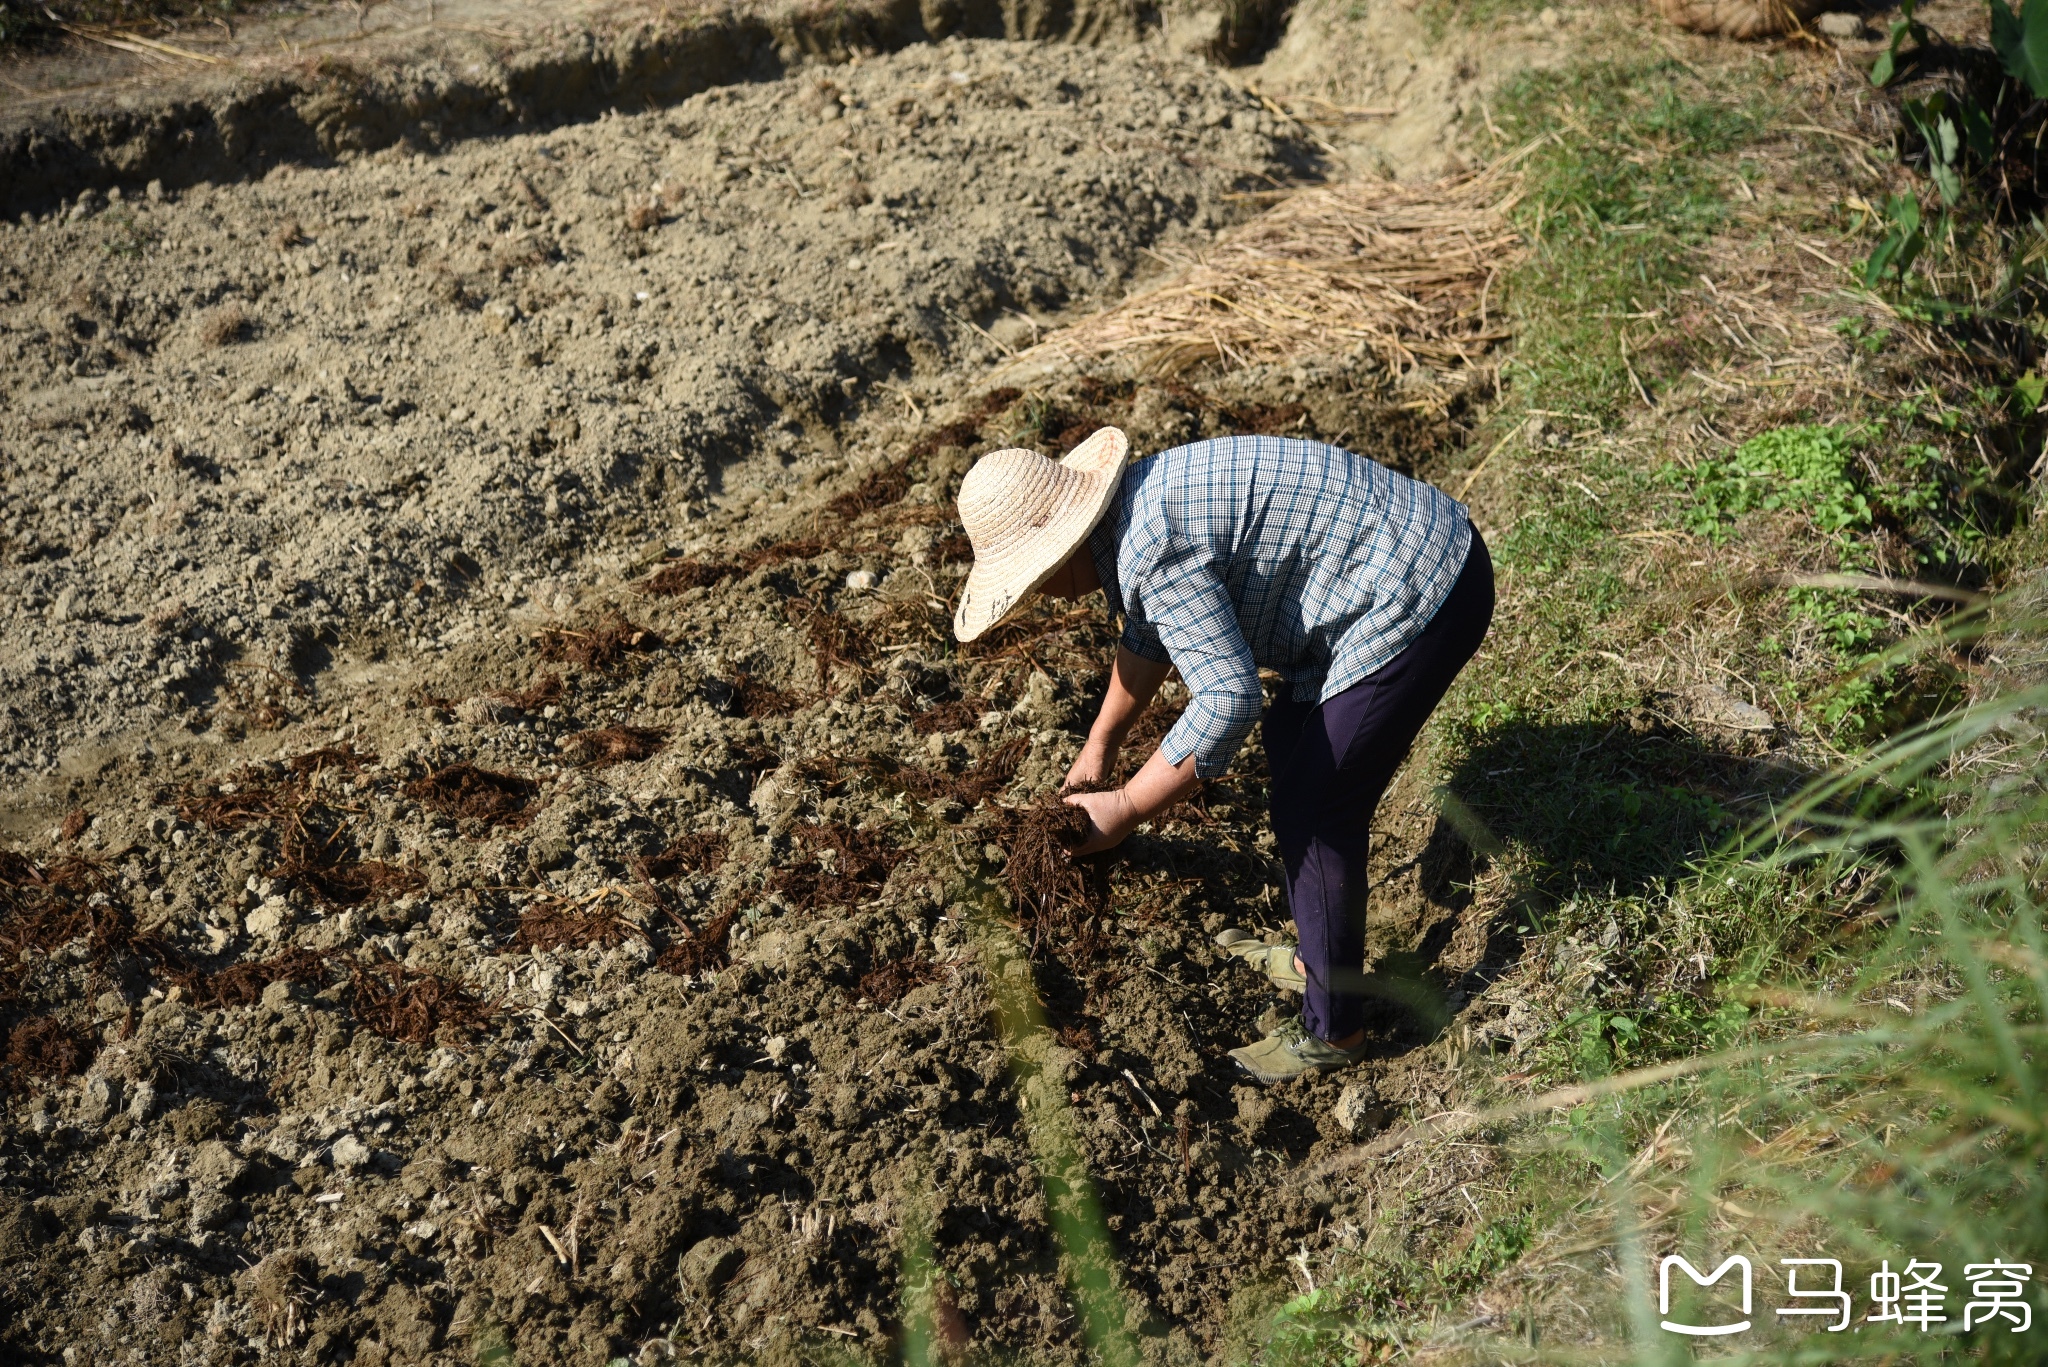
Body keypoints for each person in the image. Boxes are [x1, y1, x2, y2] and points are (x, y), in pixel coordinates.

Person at [951, 426, 1493, 1084]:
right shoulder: (1139, 508)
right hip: (1398, 562)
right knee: (1292, 743)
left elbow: (1227, 699)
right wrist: (1101, 744)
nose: (1040, 596)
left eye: (1035, 582)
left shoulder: (1150, 546)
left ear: (1060, 552)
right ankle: (1319, 958)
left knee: (1317, 809)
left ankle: (1335, 1029)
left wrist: (1124, 807)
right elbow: (1148, 633)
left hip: (1418, 593)